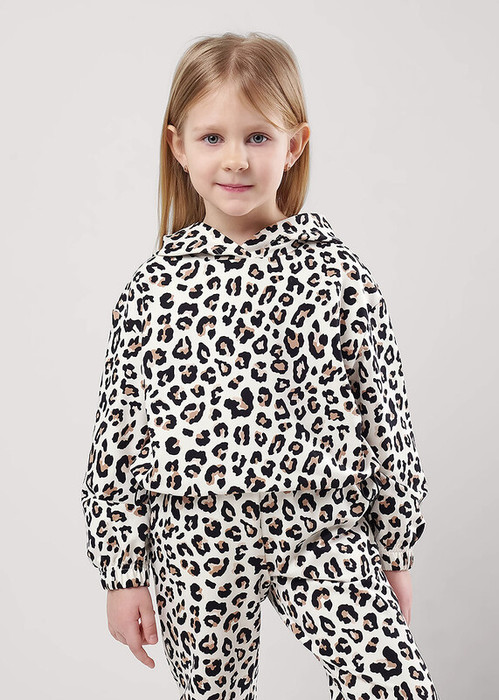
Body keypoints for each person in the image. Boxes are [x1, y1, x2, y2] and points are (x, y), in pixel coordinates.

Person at [81, 31, 439, 700]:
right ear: (178, 147)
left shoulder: (339, 277)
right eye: (212, 138)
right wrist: (121, 572)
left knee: (393, 686)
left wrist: (394, 552)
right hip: (196, 537)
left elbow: (385, 419)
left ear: (294, 145)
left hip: (321, 529)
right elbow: (118, 440)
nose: (236, 159)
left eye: (257, 137)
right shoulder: (154, 289)